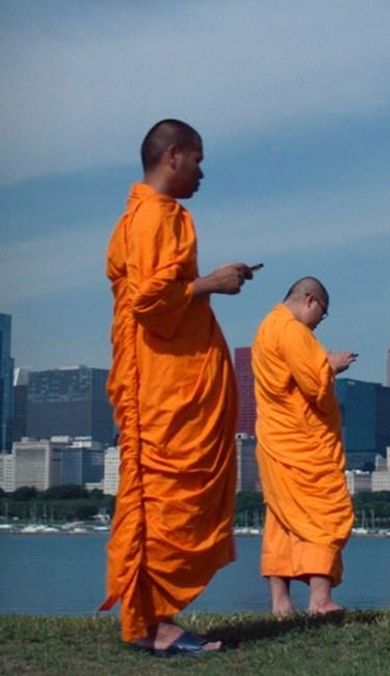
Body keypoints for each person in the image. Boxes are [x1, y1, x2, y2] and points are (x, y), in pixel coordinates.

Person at [101, 119, 260, 655]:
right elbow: (149, 302)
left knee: (170, 497)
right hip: (162, 383)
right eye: (197, 159)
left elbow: (162, 290)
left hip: (170, 375)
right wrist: (212, 282)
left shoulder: (157, 215)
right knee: (165, 497)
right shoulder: (151, 217)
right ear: (173, 156)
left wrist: (207, 281)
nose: (202, 171)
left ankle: (154, 619)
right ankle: (154, 624)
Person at [251, 277, 356, 615]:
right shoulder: (293, 331)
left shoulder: (266, 328)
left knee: (282, 519)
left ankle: (280, 604)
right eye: (322, 315)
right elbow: (313, 384)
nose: (318, 323)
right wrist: (332, 365)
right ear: (310, 300)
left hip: (274, 439)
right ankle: (320, 600)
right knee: (324, 513)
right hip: (304, 443)